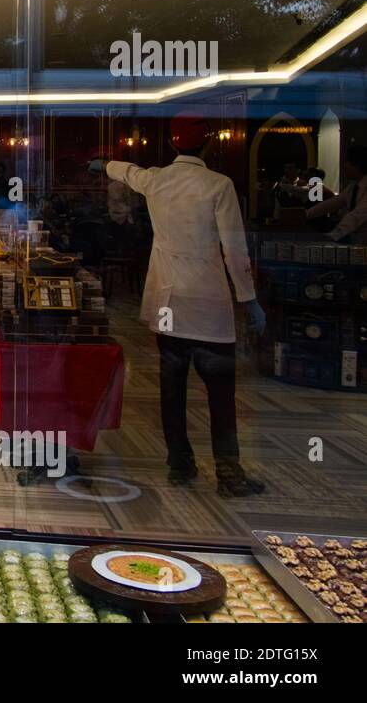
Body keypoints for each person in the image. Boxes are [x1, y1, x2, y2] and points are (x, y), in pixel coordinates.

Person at [102, 111, 266, 497]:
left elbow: (126, 172)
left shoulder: (157, 180)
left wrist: (103, 164)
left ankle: (180, 465)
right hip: (208, 304)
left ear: (174, 144)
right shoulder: (218, 185)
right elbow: (234, 248)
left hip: (167, 301)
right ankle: (229, 473)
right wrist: (250, 300)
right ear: (209, 143)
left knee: (171, 389)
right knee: (221, 394)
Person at [306, 146, 367, 243]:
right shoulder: (354, 185)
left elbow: (358, 214)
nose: (344, 166)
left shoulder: (319, 188)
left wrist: (334, 234)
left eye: (347, 162)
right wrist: (306, 214)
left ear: (358, 165)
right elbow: (334, 202)